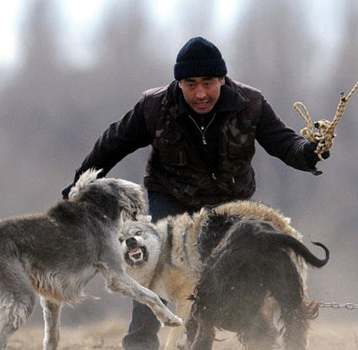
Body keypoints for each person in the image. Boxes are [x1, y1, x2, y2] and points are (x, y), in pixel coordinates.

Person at [61, 36, 329, 350]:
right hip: (171, 196)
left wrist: (309, 153)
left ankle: (255, 338)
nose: (199, 93)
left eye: (207, 83)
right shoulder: (154, 106)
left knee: (243, 264)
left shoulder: (250, 103)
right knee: (149, 259)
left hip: (228, 203)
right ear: (179, 83)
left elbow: (284, 143)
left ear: (222, 79)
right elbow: (113, 142)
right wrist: (81, 183)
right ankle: (139, 343)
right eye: (190, 84)